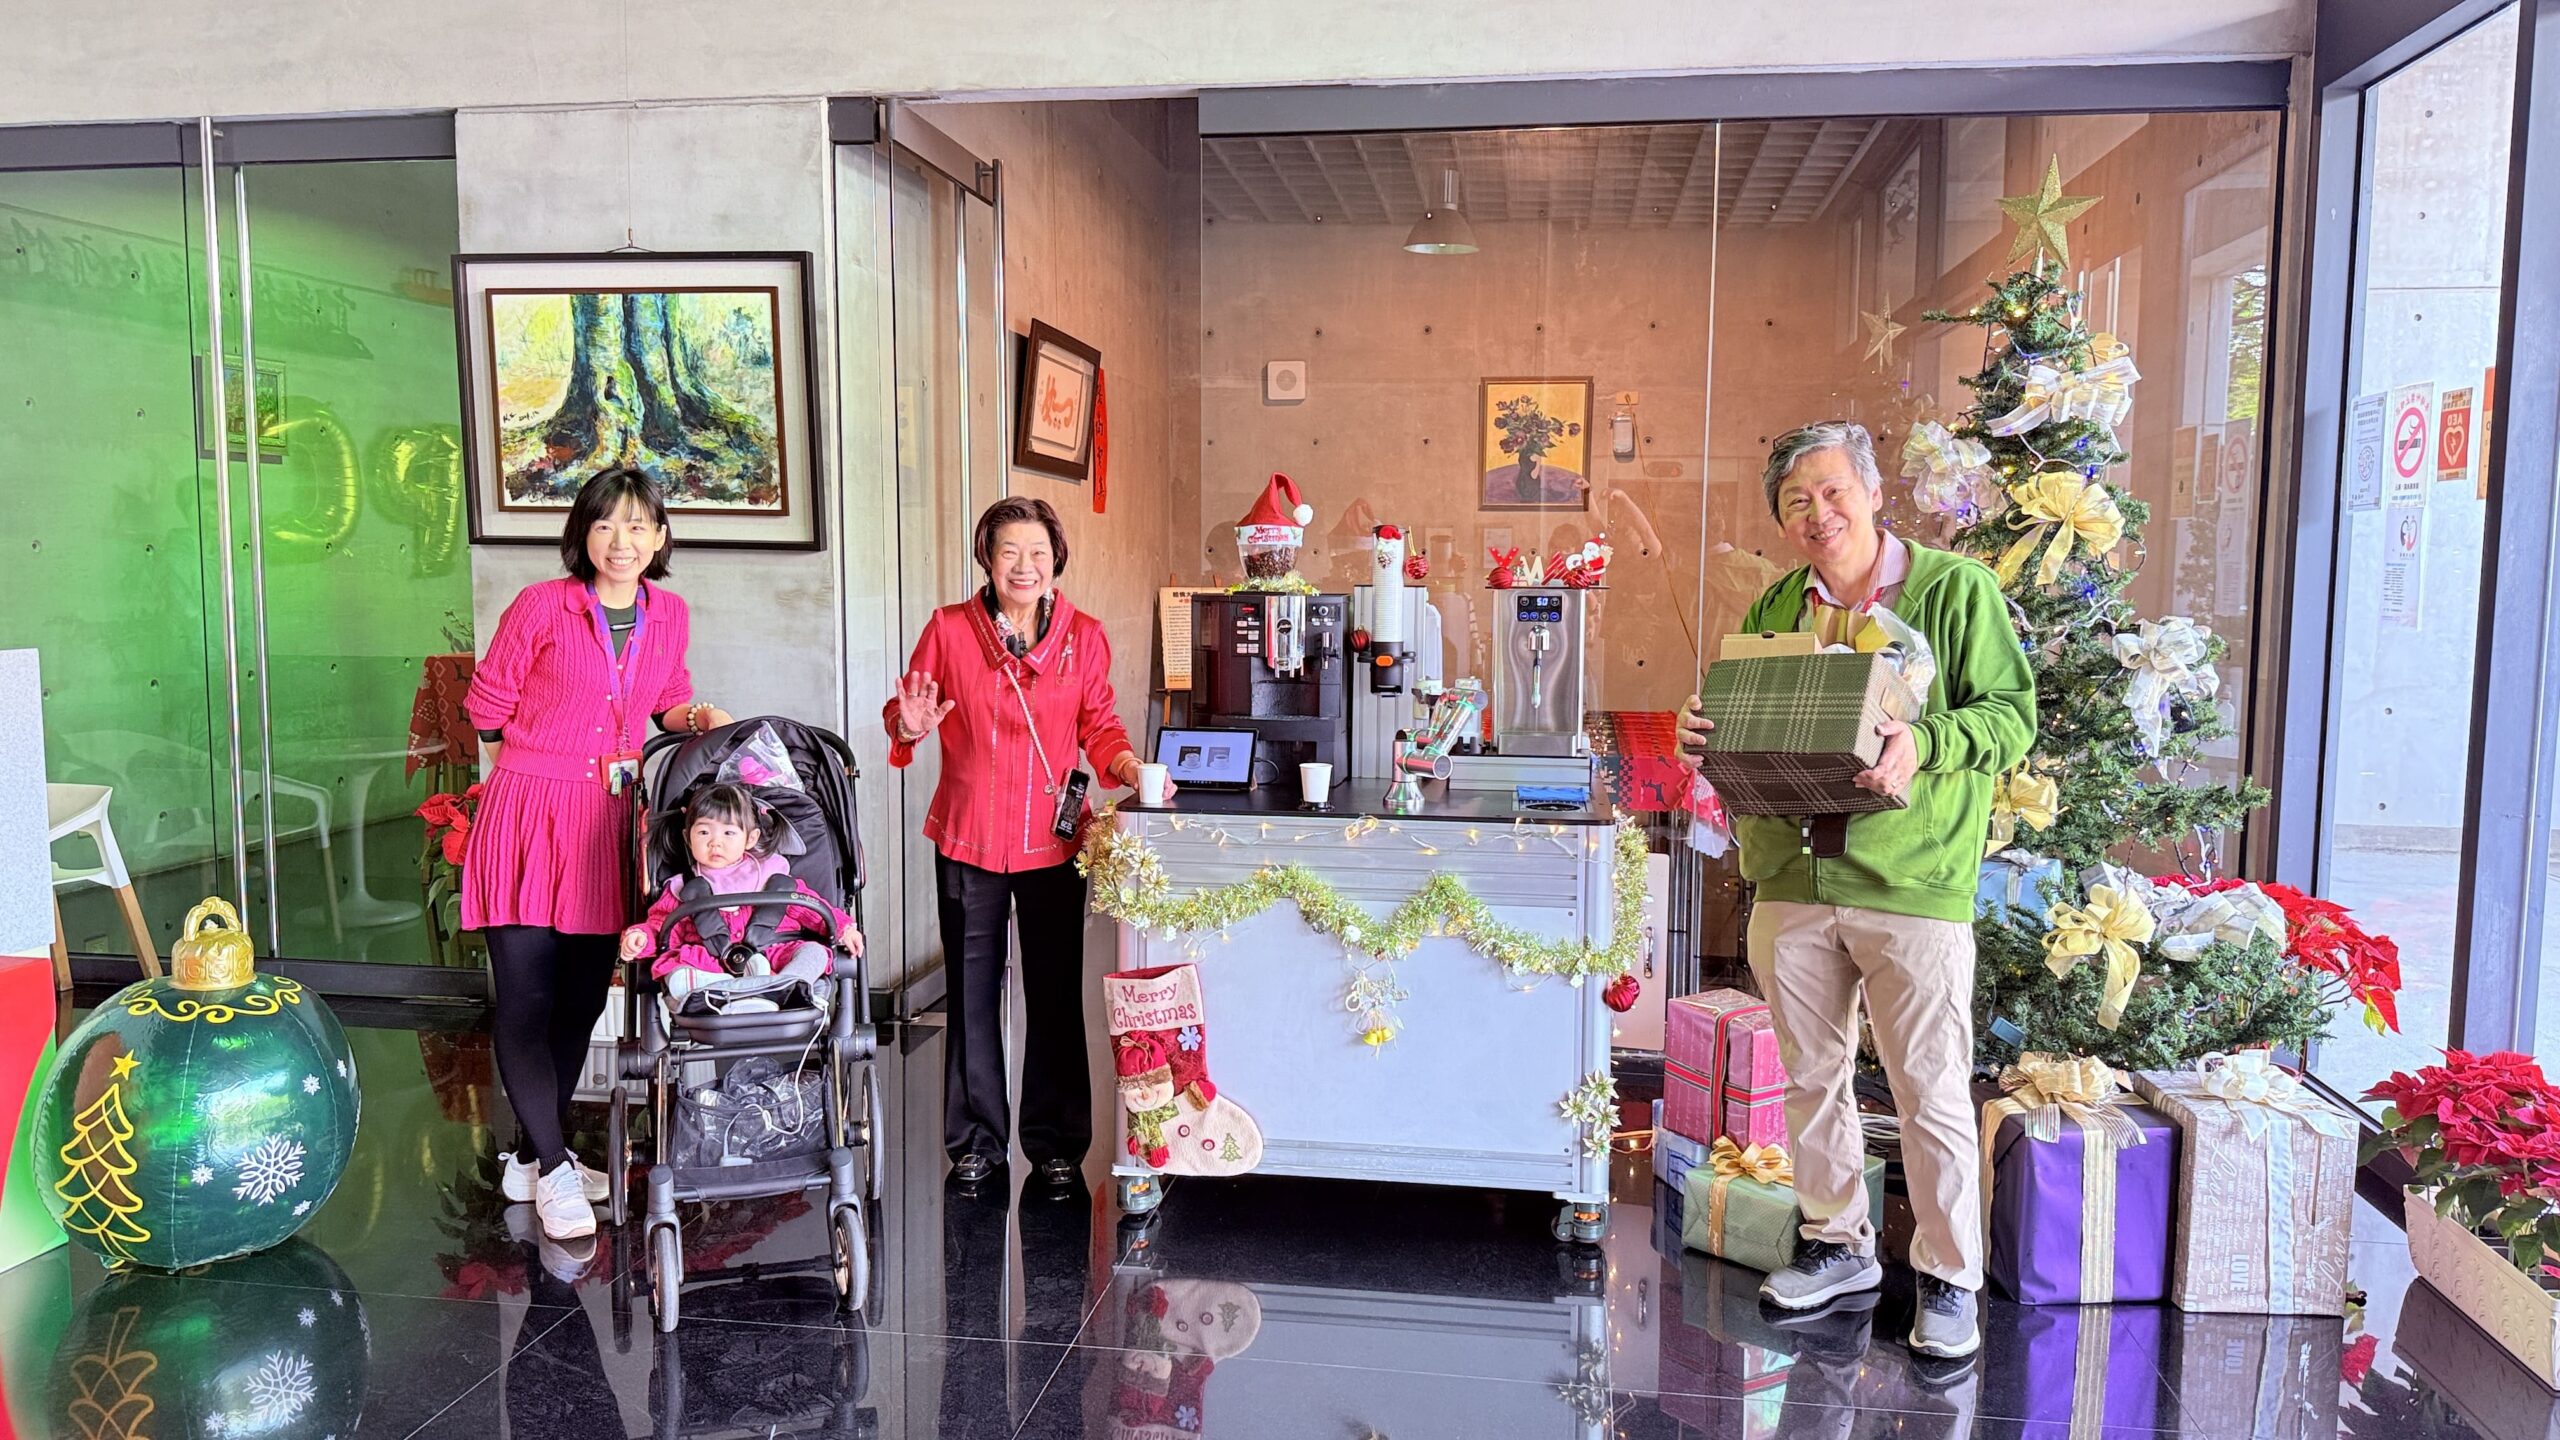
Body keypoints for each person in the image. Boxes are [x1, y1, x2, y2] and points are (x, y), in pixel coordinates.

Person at [1677, 422, 2034, 1362]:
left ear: (1874, 493)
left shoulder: (1953, 591)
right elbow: (1745, 722)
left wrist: (1927, 741)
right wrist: (1701, 729)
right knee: (1809, 1080)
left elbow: (2012, 718)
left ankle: (1949, 1277)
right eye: (1796, 501)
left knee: (1930, 1088)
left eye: (1833, 491)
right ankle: (1837, 1243)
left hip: (1913, 880)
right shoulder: (1774, 607)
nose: (1817, 513)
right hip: (1792, 878)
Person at [465, 468, 733, 1242]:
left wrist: (699, 717)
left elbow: (666, 701)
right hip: (527, 815)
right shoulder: (540, 605)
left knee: (583, 999)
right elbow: (486, 707)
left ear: (660, 537)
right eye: (607, 524)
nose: (622, 541)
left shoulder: (669, 613)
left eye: (638, 525)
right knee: (526, 999)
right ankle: (554, 1169)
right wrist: (535, 764)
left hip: (606, 823)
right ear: (583, 533)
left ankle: (530, 1156)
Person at [885, 496, 1162, 1190]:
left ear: (1056, 560)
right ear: (987, 558)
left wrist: (1129, 767)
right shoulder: (949, 629)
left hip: (1053, 843)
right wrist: (908, 723)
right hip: (968, 836)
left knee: (1055, 992)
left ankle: (1057, 1141)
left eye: (1037, 552)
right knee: (970, 995)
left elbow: (1099, 725)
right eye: (1009, 551)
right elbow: (907, 711)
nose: (1024, 565)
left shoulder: (1083, 635)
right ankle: (975, 1142)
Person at [622, 782, 863, 1011]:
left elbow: (812, 908)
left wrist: (843, 929)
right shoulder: (682, 888)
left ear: (751, 838)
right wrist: (642, 938)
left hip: (773, 958)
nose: (715, 842)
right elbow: (661, 927)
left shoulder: (771, 875)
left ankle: (776, 986)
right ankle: (749, 991)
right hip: (711, 965)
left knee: (814, 953)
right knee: (676, 973)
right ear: (688, 837)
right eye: (704, 832)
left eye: (728, 832)